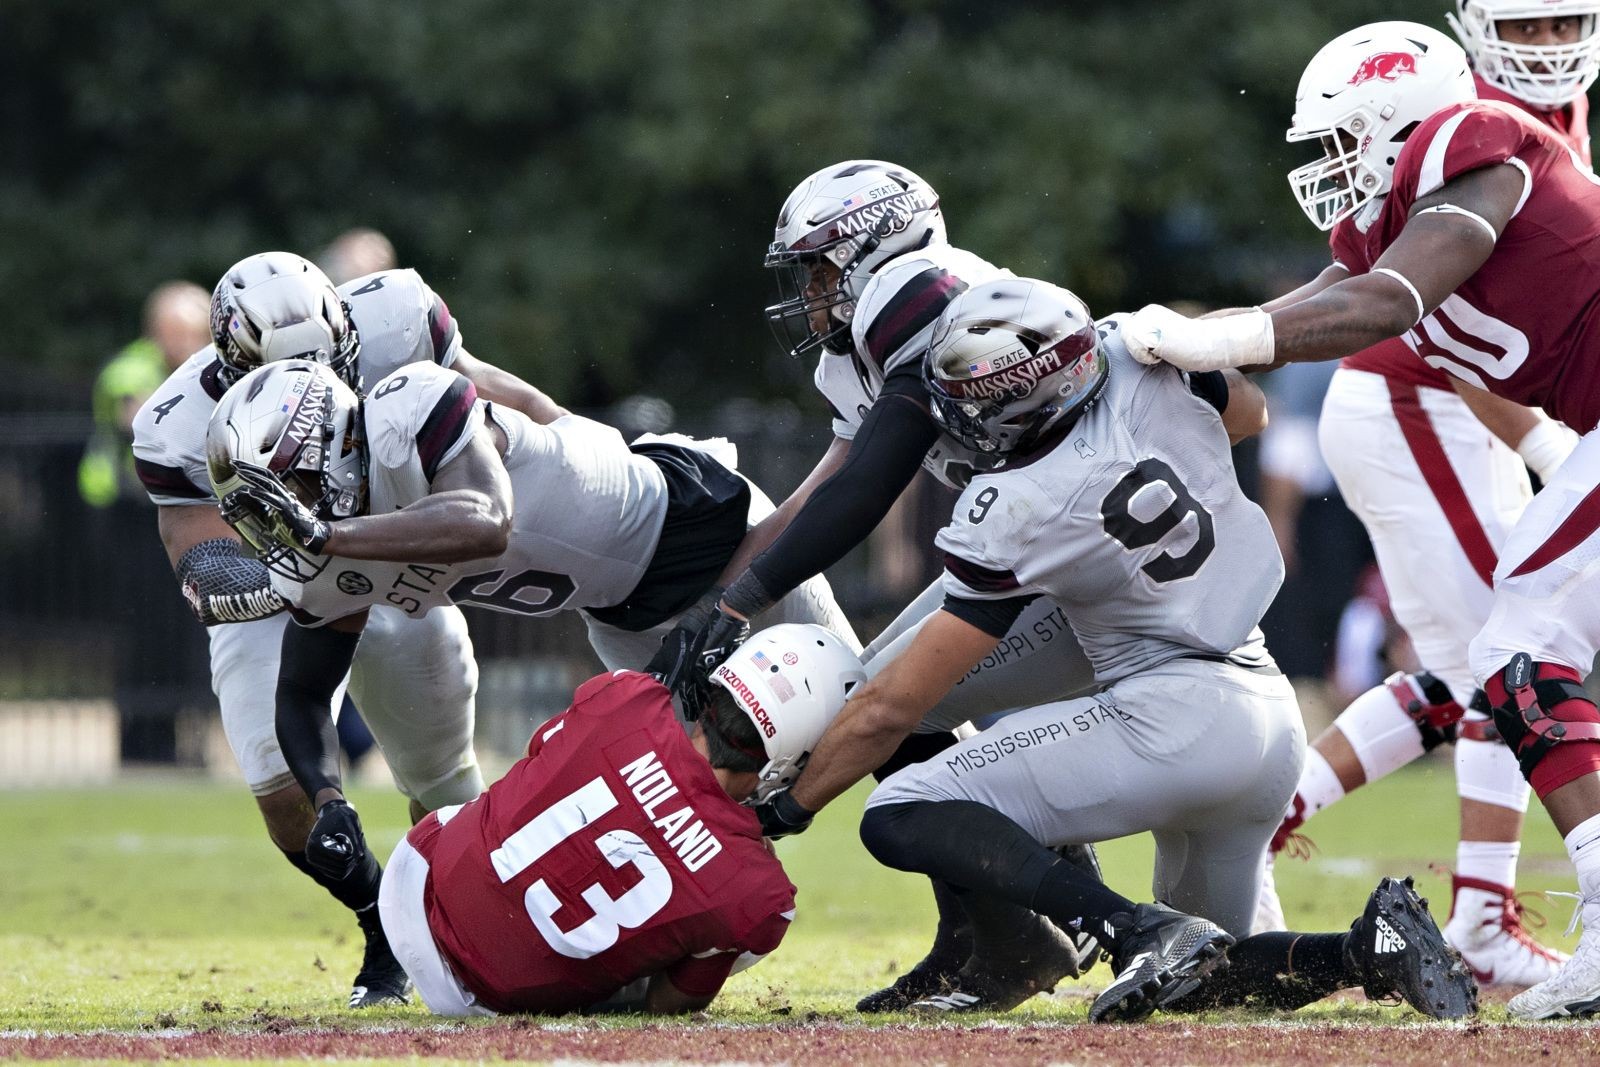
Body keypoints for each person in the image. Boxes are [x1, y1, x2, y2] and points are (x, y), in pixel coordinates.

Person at [750, 278, 1475, 1021]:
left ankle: (1130, 927)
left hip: (1171, 717)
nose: (965, 422)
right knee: (1210, 979)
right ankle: (1368, 949)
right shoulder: (1134, 351)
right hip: (1266, 708)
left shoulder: (1019, 503)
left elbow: (897, 702)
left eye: (975, 403)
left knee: (900, 808)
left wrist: (781, 812)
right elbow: (1251, 412)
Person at [1123, 20, 1600, 1019]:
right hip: (1490, 422)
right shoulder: (1405, 205)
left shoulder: (1473, 138)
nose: (1336, 167)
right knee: (1508, 659)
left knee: (1510, 657)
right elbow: (1342, 288)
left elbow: (1389, 301)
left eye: (1346, 140)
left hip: (1492, 423)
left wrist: (1220, 334)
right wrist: (1195, 343)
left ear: (1399, 125)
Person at [647, 159, 1102, 1011]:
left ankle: (1025, 923)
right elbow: (825, 486)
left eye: (820, 270)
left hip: (1086, 562)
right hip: (1039, 551)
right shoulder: (860, 352)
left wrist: (739, 603)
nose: (808, 293)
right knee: (880, 701)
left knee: (882, 708)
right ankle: (993, 929)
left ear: (873, 252)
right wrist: (713, 594)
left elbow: (870, 486)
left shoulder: (923, 291)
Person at [204, 357, 859, 935]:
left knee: (872, 702)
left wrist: (326, 534)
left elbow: (487, 519)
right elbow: (302, 692)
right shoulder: (331, 548)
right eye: (270, 512)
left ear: (333, 439)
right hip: (624, 617)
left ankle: (958, 913)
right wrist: (327, 799)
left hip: (706, 527)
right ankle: (677, 953)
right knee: (694, 799)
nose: (289, 521)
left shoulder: (409, 408)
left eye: (294, 493)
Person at [1253, 4, 1599, 991]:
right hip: (1413, 392)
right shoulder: (1464, 120)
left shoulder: (1543, 117)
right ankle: (1480, 916)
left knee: (1491, 663)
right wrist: (1542, 438)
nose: (1543, 48)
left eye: (1562, 24)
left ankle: (1274, 827)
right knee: (1506, 658)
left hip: (1442, 398)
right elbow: (1448, 316)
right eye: (1524, 29)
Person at [131, 251, 566, 1007]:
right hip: (278, 567)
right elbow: (193, 541)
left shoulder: (396, 316)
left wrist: (577, 438)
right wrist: (264, 573)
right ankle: (382, 925)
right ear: (228, 364)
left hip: (393, 547)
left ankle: (484, 918)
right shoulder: (175, 422)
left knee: (441, 771)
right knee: (280, 787)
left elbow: (497, 394)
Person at [377, 624, 864, 1016]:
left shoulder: (627, 697)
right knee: (734, 927)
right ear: (790, 757)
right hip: (492, 1002)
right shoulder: (761, 893)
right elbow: (672, 1004)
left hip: (411, 887)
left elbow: (535, 764)